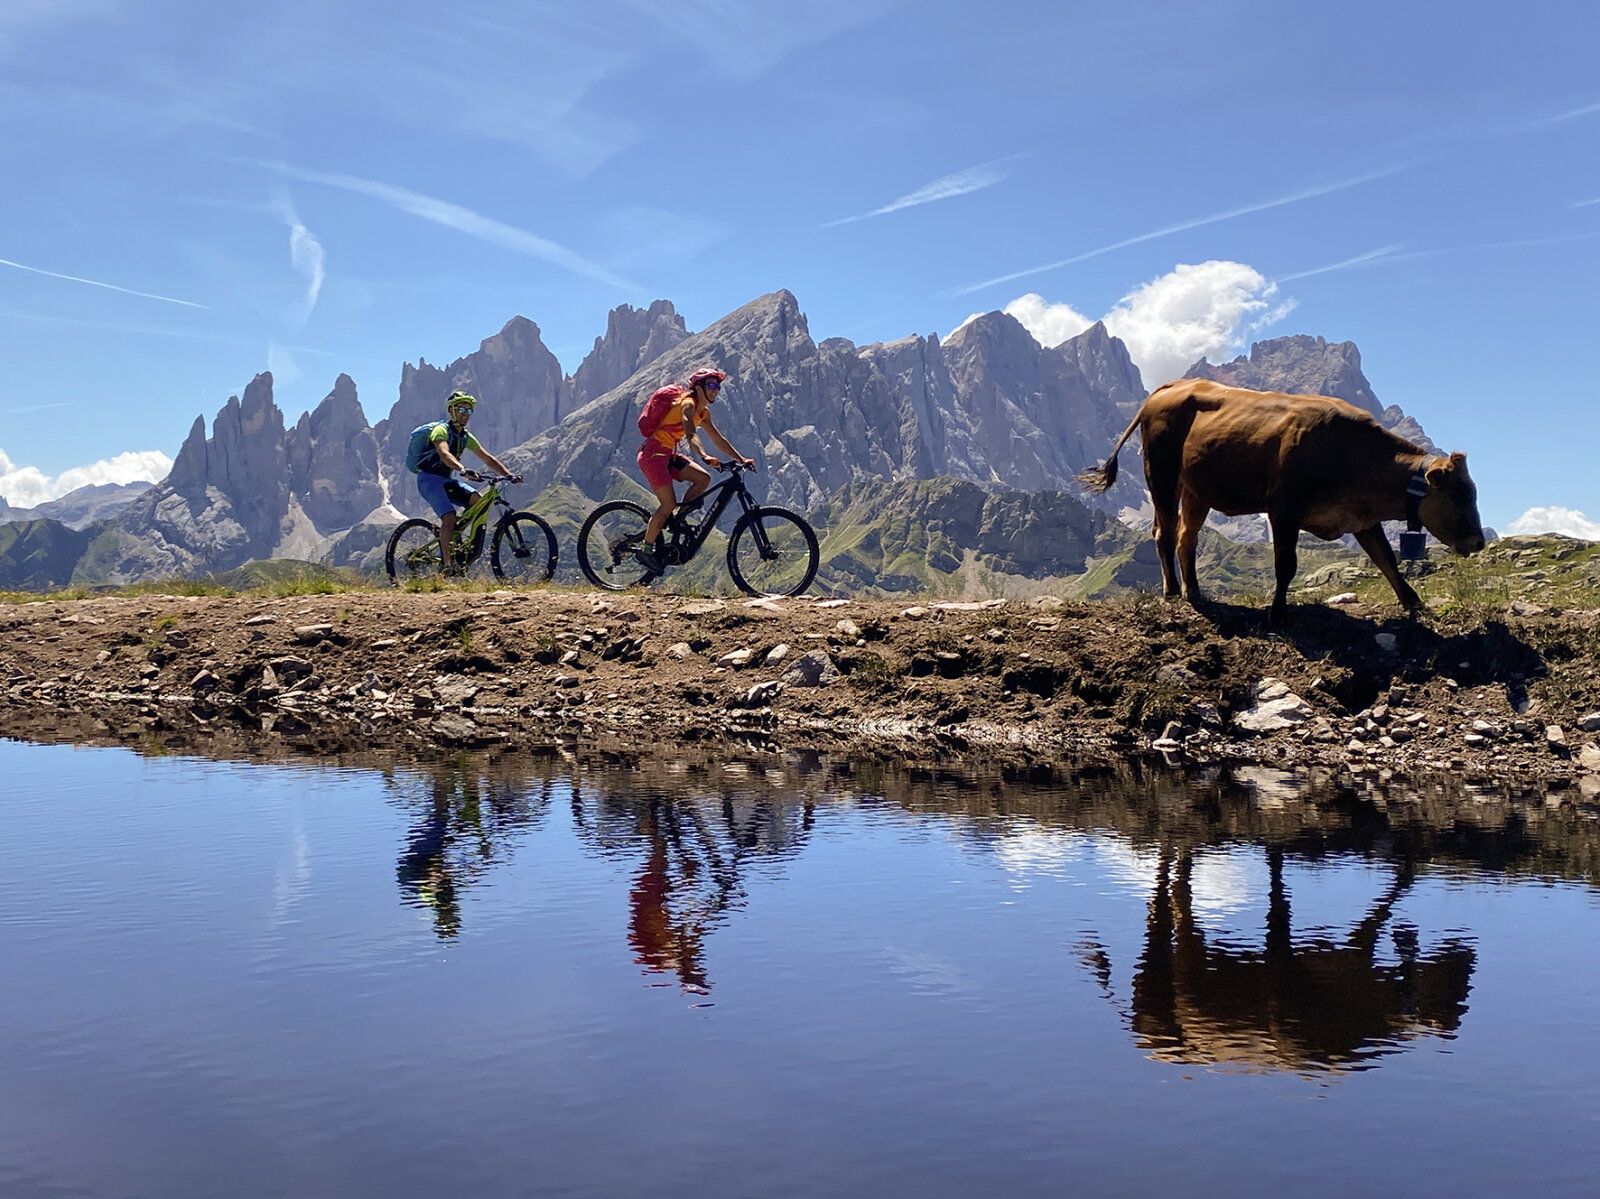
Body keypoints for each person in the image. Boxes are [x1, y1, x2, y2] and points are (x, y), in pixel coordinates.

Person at [634, 368, 755, 572]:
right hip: (653, 455)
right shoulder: (688, 405)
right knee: (668, 503)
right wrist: (704, 455)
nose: (716, 390)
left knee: (702, 479)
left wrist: (741, 459)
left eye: (717, 386)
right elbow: (691, 434)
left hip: (669, 456)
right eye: (711, 385)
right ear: (698, 388)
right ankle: (645, 550)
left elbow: (718, 439)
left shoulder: (704, 413)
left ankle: (678, 520)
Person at [409, 391, 522, 572]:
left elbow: (488, 458)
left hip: (445, 480)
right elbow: (444, 453)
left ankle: (458, 542)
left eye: (469, 410)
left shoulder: (465, 436)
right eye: (461, 409)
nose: (465, 413)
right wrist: (462, 469)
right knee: (449, 517)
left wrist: (509, 474)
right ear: (451, 411)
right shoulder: (441, 430)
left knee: (477, 501)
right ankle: (448, 565)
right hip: (429, 480)